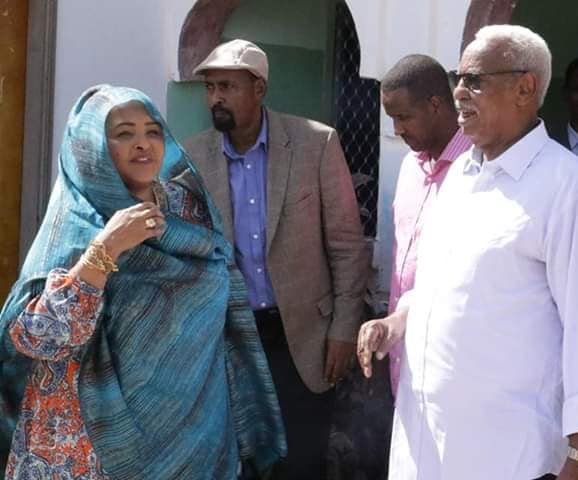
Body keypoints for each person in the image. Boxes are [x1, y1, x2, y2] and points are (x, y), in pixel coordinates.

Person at [358, 25, 578, 479]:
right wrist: (398, 321)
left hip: (508, 458)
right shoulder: (459, 177)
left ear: (525, 88)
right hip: (425, 447)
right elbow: (446, 285)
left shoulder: (570, 191)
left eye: (475, 80)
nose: (458, 93)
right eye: (458, 78)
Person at [0, 85, 286, 480]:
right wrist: (107, 249)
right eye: (123, 133)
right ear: (90, 147)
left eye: (153, 131)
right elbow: (39, 338)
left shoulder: (186, 207)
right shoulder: (76, 222)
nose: (143, 144)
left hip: (190, 433)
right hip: (88, 441)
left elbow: (220, 294)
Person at [184, 39, 369, 480]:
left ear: (259, 89)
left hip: (303, 337)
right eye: (210, 88)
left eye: (227, 86)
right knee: (238, 463)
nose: (216, 98)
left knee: (302, 461)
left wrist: (344, 329)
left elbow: (347, 244)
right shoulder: (193, 157)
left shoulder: (315, 143)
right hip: (231, 336)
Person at [380, 54, 472, 396]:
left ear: (435, 105)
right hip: (401, 351)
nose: (397, 130)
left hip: (452, 358)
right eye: (392, 119)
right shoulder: (409, 167)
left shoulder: (477, 169)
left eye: (404, 117)